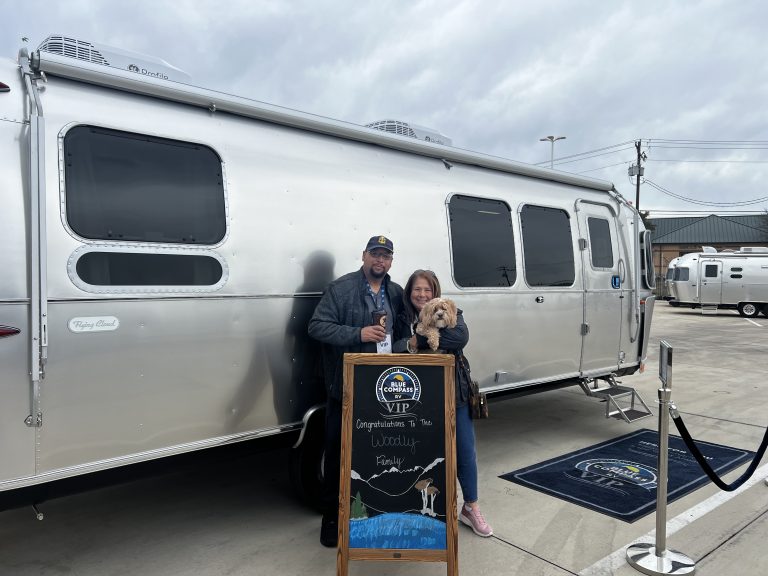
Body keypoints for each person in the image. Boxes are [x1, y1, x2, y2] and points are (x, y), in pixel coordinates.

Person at [308, 235, 408, 548]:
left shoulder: (396, 292)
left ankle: (372, 514)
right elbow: (316, 326)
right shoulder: (341, 289)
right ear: (364, 256)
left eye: (386, 256)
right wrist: (358, 333)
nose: (380, 260)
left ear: (391, 261)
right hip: (346, 388)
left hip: (383, 390)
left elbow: (403, 332)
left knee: (377, 457)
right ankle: (331, 518)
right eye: (375, 254)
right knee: (338, 452)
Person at [399, 269, 493, 537]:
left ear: (436, 293)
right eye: (417, 289)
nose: (422, 294)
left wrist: (418, 339)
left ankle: (471, 507)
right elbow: (394, 344)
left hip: (455, 392)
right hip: (415, 397)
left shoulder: (454, 311)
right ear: (409, 292)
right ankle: (420, 509)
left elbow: (459, 337)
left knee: (464, 450)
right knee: (420, 455)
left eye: (427, 290)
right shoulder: (401, 316)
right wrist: (412, 341)